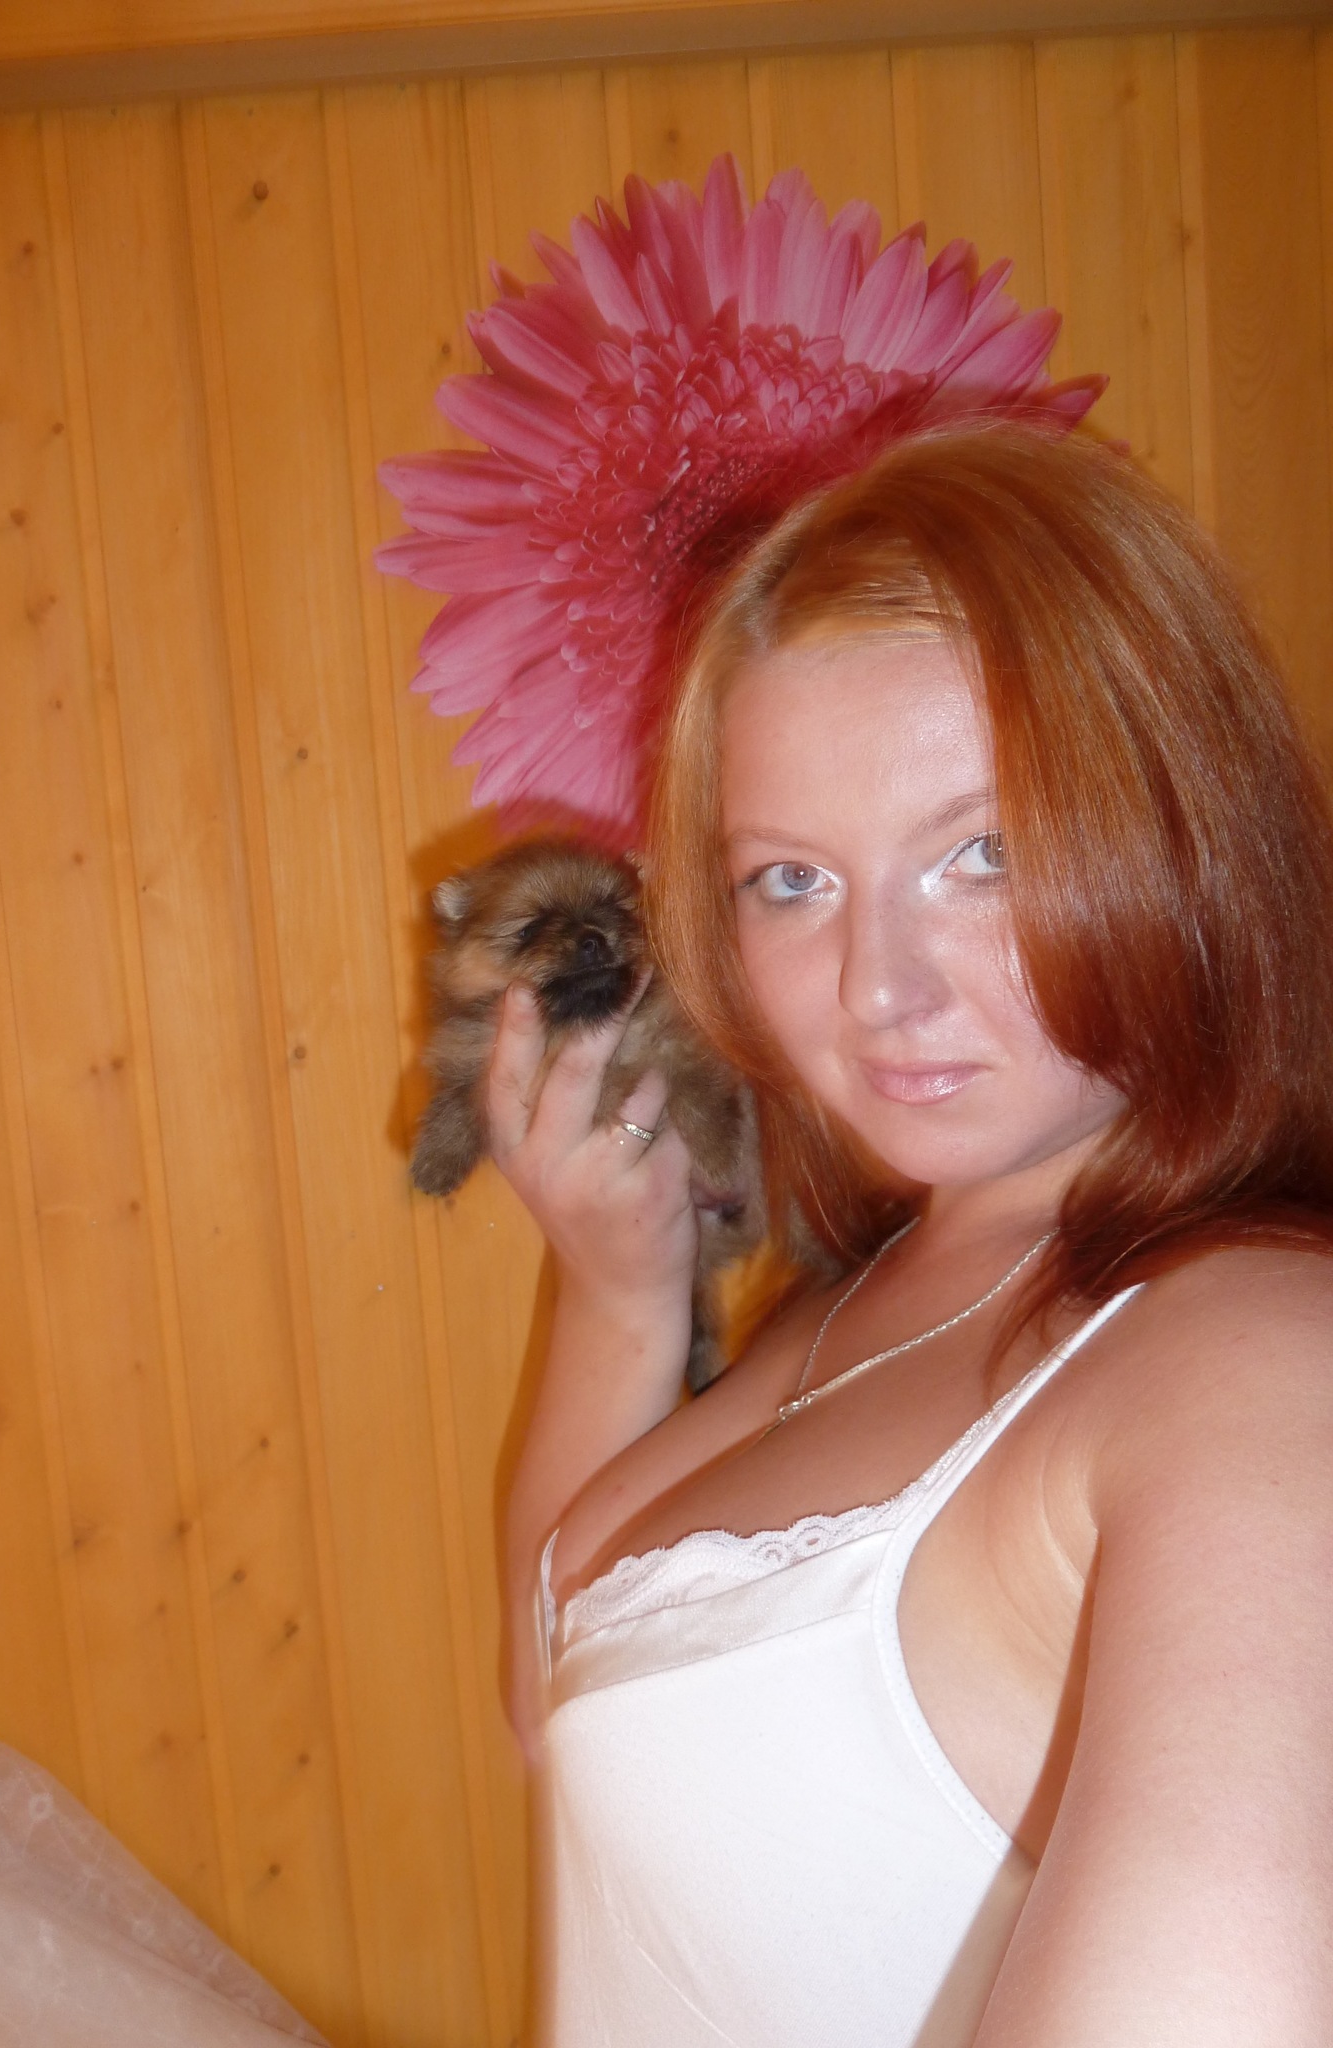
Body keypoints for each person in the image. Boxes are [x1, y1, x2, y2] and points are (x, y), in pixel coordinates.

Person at [486, 423, 1333, 2045]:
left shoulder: (1255, 1369)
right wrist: (618, 1297)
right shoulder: (875, 1290)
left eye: (982, 854)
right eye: (791, 882)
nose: (879, 988)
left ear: (1189, 828)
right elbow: (561, 1695)